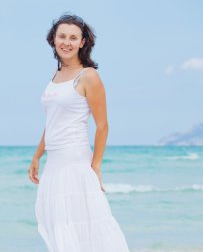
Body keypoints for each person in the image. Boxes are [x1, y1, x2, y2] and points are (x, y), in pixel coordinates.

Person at [28, 13, 130, 252]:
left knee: (82, 224)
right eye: (62, 36)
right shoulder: (55, 76)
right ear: (53, 39)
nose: (67, 42)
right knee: (57, 223)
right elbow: (52, 122)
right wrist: (37, 155)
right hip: (54, 163)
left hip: (75, 162)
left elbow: (102, 125)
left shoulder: (89, 76)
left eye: (73, 38)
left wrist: (95, 166)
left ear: (83, 42)